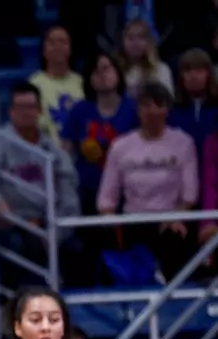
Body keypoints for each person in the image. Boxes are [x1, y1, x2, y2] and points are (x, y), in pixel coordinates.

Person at [0, 82, 83, 275]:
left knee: (78, 249)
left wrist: (55, 233)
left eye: (30, 107)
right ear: (11, 112)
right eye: (20, 107)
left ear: (39, 111)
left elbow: (69, 193)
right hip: (11, 223)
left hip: (47, 222)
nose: (25, 113)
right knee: (16, 246)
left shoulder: (52, 150)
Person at [98, 82, 200, 277]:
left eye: (158, 104)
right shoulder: (120, 145)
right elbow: (106, 198)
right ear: (137, 110)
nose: (152, 110)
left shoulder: (184, 142)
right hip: (133, 221)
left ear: (167, 110)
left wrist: (176, 217)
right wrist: (111, 221)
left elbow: (190, 194)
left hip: (171, 220)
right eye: (146, 105)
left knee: (176, 238)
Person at [64, 53, 139, 214]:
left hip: (129, 190)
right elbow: (67, 152)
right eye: (95, 71)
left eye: (106, 68)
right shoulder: (79, 110)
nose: (102, 74)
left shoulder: (135, 109)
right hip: (89, 189)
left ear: (118, 73)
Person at [30, 24, 85, 138]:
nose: (58, 46)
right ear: (44, 50)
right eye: (52, 42)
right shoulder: (34, 84)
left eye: (63, 42)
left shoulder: (82, 82)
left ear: (70, 49)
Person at [172, 48, 218, 151]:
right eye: (187, 71)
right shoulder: (171, 109)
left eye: (199, 71)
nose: (193, 76)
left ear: (209, 74)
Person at [121, 17, 173, 99]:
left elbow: (167, 101)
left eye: (141, 37)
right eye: (130, 38)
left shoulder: (161, 69)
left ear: (149, 41)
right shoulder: (115, 70)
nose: (135, 43)